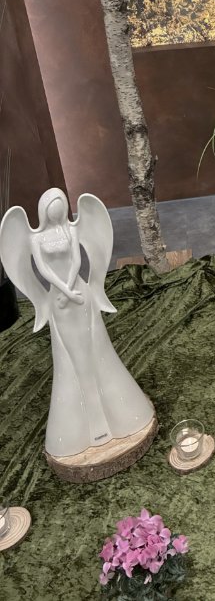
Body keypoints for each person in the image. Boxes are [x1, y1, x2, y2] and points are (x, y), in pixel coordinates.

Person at [0, 189, 154, 457]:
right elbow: (43, 270)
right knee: (69, 357)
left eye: (61, 205)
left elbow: (78, 259)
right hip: (59, 301)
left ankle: (121, 416)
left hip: (80, 295)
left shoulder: (71, 230)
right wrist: (63, 290)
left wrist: (71, 288)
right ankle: (80, 429)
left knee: (97, 348)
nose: (57, 211)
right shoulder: (36, 238)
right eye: (53, 206)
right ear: (45, 209)